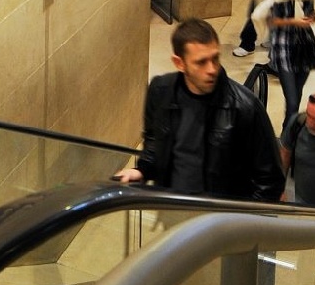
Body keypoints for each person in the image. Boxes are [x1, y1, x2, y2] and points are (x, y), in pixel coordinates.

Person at [115, 19, 284, 200]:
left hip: (218, 218)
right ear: (179, 63)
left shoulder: (244, 107)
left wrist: (237, 221)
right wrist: (142, 169)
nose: (212, 69)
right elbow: (154, 139)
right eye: (201, 62)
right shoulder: (160, 90)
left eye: (215, 58)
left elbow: (270, 179)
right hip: (172, 206)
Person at [255, 0, 315, 125]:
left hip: (304, 45)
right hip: (283, 45)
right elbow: (272, 21)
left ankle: (289, 132)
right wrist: (293, 21)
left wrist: (312, 19)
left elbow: (313, 14)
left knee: (297, 94)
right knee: (293, 101)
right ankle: (288, 140)